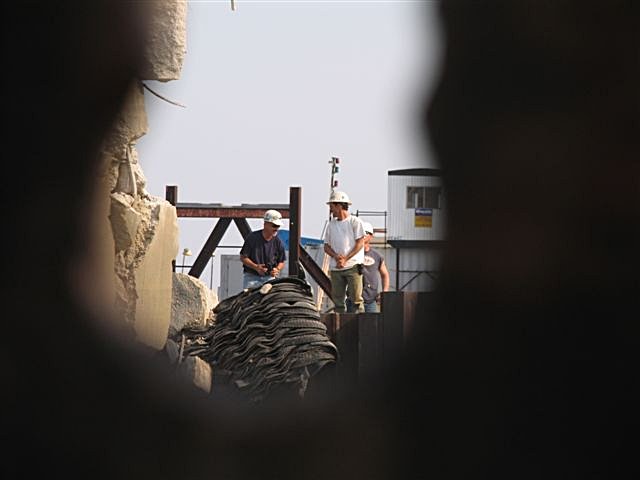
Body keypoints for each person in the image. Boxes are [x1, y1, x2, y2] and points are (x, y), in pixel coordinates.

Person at [323, 190, 366, 313]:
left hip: (353, 266)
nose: (331, 209)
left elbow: (360, 243)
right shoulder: (331, 225)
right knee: (338, 301)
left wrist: (345, 259)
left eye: (332, 206)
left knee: (356, 300)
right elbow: (326, 246)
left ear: (339, 206)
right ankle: (339, 323)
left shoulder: (355, 222)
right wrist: (337, 257)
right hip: (336, 267)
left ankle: (360, 323)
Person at [347, 221, 390, 313]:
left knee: (371, 322)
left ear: (371, 236)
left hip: (371, 301)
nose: (363, 235)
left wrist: (384, 292)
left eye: (366, 233)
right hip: (353, 301)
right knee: (351, 322)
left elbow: (385, 275)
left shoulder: (377, 256)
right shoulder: (350, 254)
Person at [239, 209, 287, 290]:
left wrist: (277, 269)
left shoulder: (278, 242)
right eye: (274, 226)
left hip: (269, 278)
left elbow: (281, 261)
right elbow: (243, 257)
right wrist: (256, 267)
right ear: (265, 224)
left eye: (278, 226)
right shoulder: (252, 238)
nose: (276, 229)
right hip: (251, 278)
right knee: (248, 297)